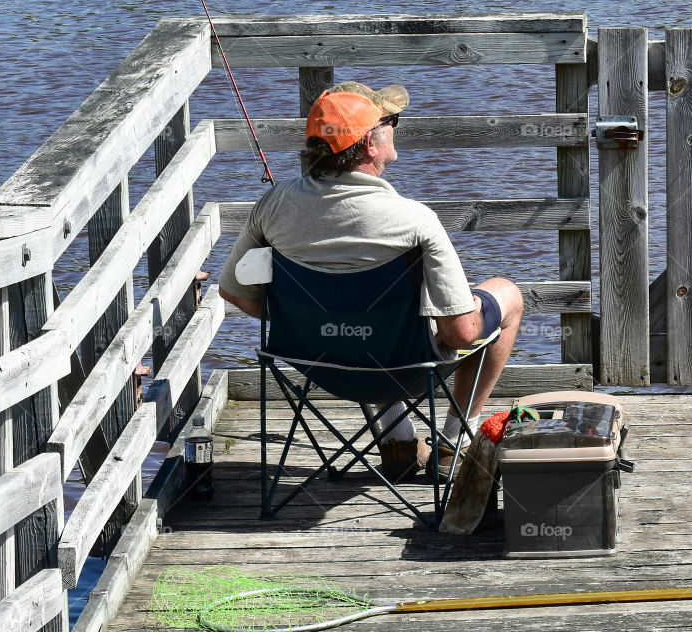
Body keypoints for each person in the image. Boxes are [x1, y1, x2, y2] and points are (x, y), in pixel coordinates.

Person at [218, 81, 523, 481]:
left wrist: (306, 320)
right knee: (508, 296)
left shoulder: (274, 205)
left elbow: (232, 290)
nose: (396, 126)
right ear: (371, 146)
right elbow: (462, 333)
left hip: (319, 364)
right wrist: (482, 303)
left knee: (367, 318)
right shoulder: (415, 220)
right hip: (401, 368)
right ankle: (453, 445)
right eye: (391, 121)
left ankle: (398, 443)